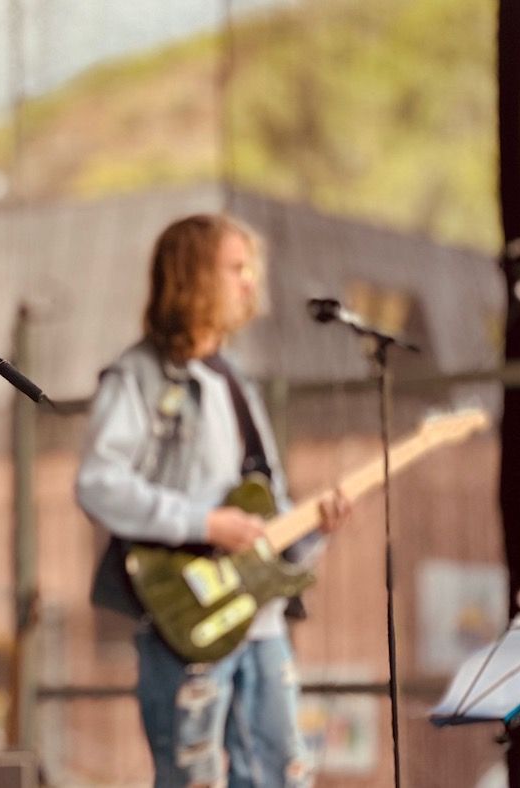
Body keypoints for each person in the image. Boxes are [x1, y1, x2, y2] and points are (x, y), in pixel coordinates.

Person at [75, 214, 350, 787]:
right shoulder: (139, 376)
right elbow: (99, 482)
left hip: (261, 622)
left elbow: (266, 504)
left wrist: (312, 530)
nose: (250, 282)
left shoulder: (235, 380)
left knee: (280, 775)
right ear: (192, 276)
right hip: (185, 618)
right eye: (235, 269)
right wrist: (203, 524)